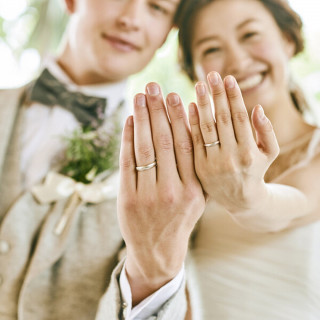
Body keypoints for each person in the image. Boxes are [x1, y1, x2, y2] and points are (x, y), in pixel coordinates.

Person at [0, 0, 206, 319]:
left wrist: (151, 271)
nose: (131, 19)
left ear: (168, 32)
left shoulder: (170, 169)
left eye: (156, 7)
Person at [173, 0, 320, 318]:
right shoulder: (191, 167)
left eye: (250, 34)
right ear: (193, 72)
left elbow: (287, 208)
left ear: (287, 39)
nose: (237, 61)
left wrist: (247, 197)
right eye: (211, 49)